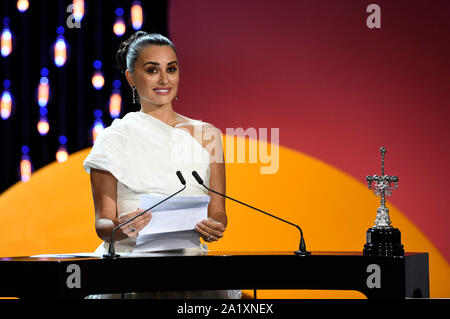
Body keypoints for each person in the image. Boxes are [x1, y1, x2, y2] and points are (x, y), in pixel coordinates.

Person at [83, 31, 240, 299]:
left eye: (172, 69)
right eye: (152, 70)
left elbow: (218, 211)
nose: (164, 79)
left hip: (191, 269)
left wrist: (215, 226)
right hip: (133, 271)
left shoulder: (208, 135)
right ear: (131, 77)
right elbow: (103, 224)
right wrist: (121, 228)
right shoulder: (113, 139)